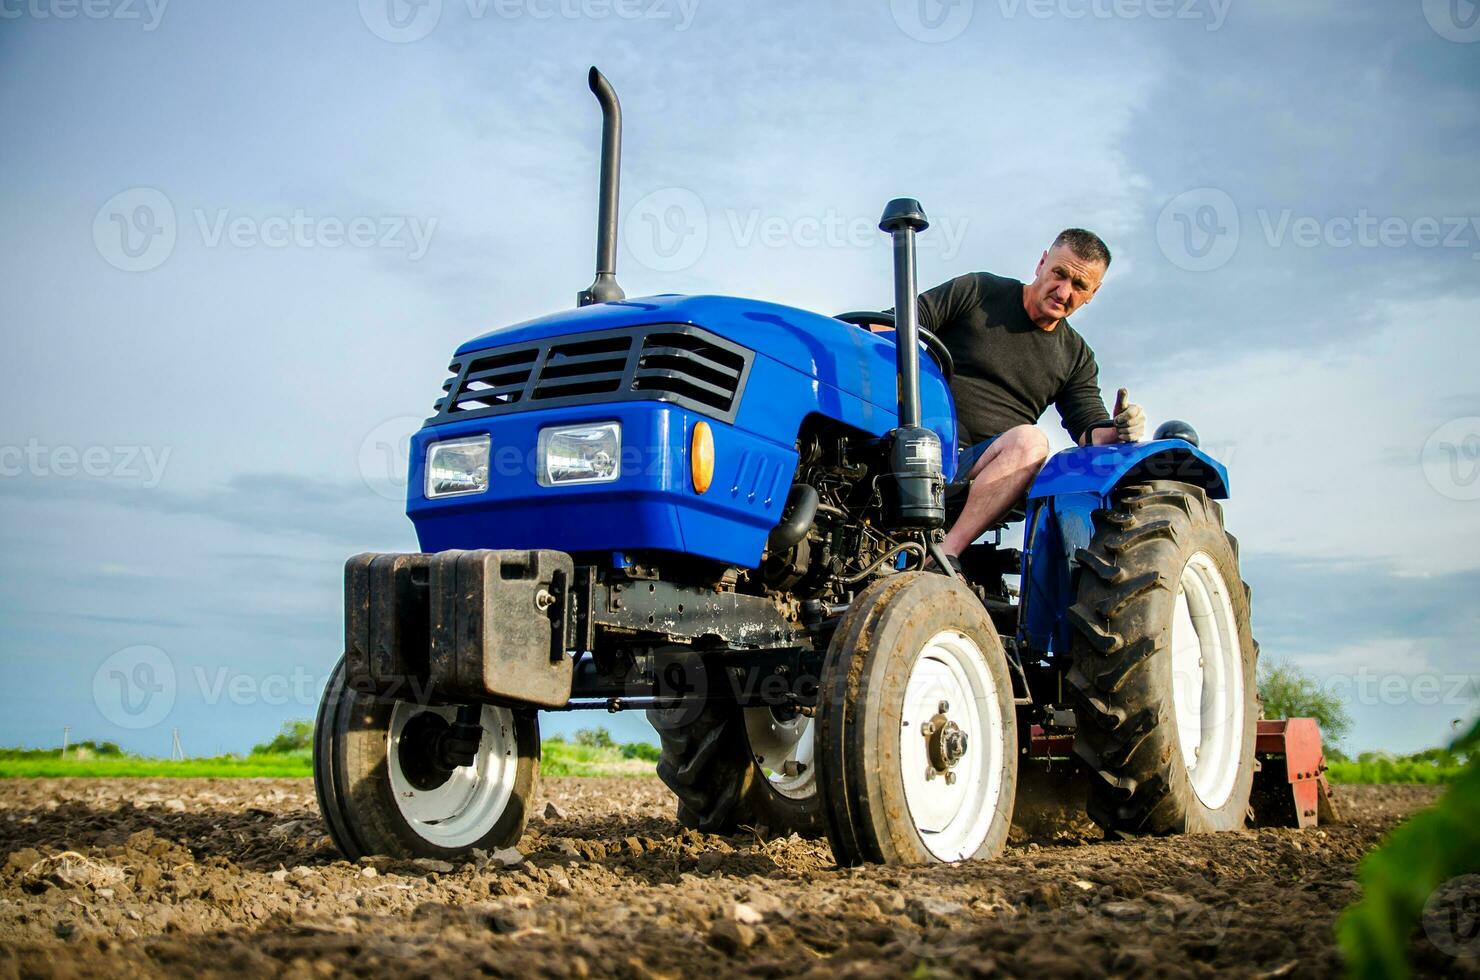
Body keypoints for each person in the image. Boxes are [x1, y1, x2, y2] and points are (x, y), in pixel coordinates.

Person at [916, 228, 1145, 560]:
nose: (1063, 291)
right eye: (1059, 274)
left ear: (1092, 293)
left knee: (1032, 442)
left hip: (990, 466)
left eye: (1079, 286)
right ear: (1042, 263)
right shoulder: (980, 291)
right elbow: (896, 324)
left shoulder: (1075, 356)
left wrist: (1122, 428)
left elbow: (1088, 428)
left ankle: (944, 555)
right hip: (922, 441)